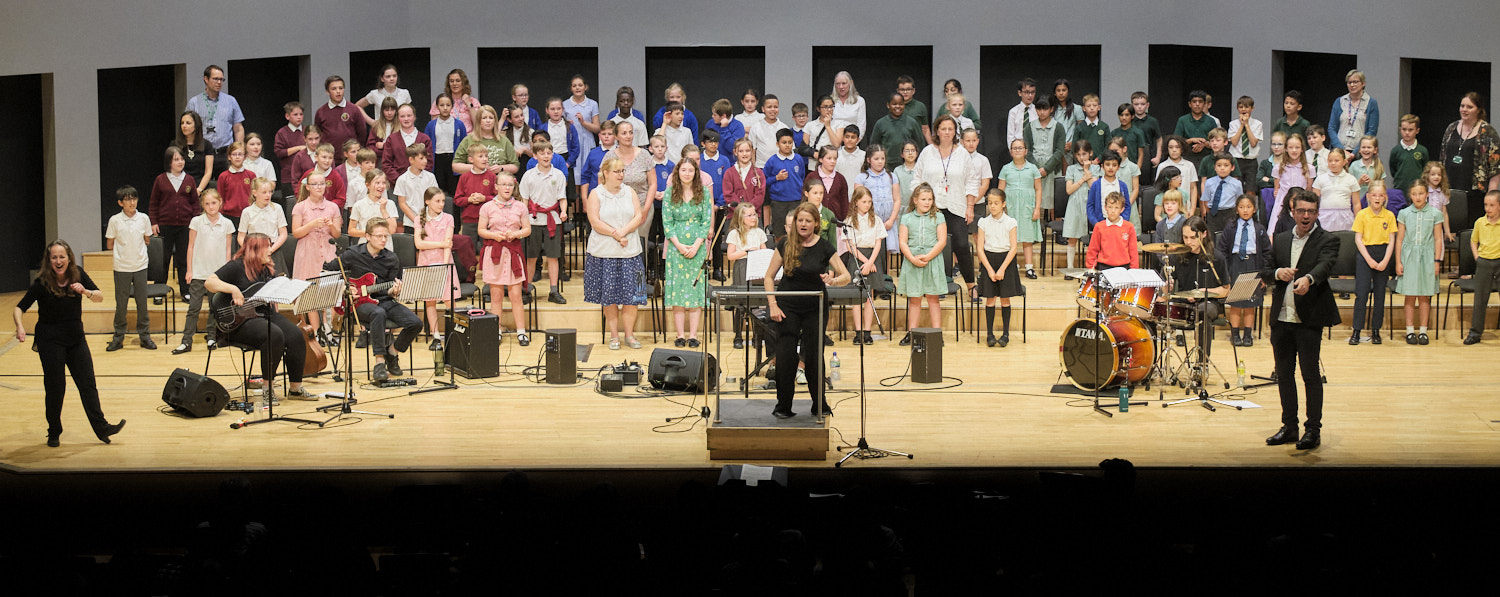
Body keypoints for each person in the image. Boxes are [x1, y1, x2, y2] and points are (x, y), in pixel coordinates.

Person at [13, 240, 127, 447]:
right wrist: (20, 326)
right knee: (56, 387)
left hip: (75, 338)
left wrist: (85, 291)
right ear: (49, 261)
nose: (58, 261)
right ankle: (54, 431)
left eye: (62, 257)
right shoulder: (42, 282)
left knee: (88, 384)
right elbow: (19, 307)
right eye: (54, 257)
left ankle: (101, 428)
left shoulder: (78, 274)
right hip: (50, 340)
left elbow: (99, 297)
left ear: (69, 258)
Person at [1261, 192, 1340, 450]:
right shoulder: (1281, 239)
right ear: (1293, 211)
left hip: (1308, 318)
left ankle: (1313, 430)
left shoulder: (1328, 239)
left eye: (1311, 211)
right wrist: (1276, 273)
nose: (1306, 216)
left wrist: (1309, 279)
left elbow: (1325, 265)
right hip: (1281, 318)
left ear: (1317, 213)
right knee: (1284, 374)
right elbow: (1265, 269)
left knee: (1310, 375)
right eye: (1302, 211)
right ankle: (1290, 427)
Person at [203, 232, 316, 402]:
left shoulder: (267, 268)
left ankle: (295, 388)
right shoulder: (236, 266)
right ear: (255, 250)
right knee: (274, 334)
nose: (271, 250)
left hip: (264, 313)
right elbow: (209, 282)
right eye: (267, 247)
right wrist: (233, 289)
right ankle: (267, 389)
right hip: (240, 321)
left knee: (296, 334)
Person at [764, 203, 852, 419]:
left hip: (815, 307)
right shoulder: (785, 244)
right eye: (800, 220)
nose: (803, 224)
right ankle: (783, 405)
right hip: (787, 307)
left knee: (813, 356)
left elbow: (846, 276)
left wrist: (833, 280)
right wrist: (773, 304)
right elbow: (768, 277)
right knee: (785, 356)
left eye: (807, 221)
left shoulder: (824, 247)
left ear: (815, 224)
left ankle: (819, 404)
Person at [325, 219, 422, 380]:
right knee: (378, 313)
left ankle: (392, 352)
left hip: (384, 299)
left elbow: (391, 287)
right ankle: (379, 362)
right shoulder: (353, 254)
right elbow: (327, 270)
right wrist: (344, 288)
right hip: (359, 303)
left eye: (386, 236)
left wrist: (394, 291)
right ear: (368, 236)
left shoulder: (392, 258)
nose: (383, 240)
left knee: (416, 323)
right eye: (379, 236)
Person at [583, 159, 645, 350]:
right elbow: (594, 220)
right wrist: (616, 234)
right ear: (605, 173)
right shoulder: (596, 193)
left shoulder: (630, 191)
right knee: (608, 297)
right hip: (604, 253)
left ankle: (630, 335)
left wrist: (624, 232)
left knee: (632, 296)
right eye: (616, 171)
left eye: (622, 170)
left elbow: (638, 216)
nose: (620, 175)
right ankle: (614, 335)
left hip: (630, 252)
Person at [912, 114, 979, 291]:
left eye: (951, 129)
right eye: (943, 129)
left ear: (955, 131)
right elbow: (917, 179)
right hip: (930, 208)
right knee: (930, 248)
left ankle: (971, 286)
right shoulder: (928, 152)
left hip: (956, 207)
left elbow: (972, 181)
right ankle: (933, 286)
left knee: (962, 246)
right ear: (937, 131)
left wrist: (970, 206)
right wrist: (919, 203)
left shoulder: (963, 153)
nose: (947, 132)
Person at [174, 189, 235, 354]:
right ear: (202, 205)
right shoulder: (196, 222)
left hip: (217, 275)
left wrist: (227, 273)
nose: (210, 206)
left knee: (214, 308)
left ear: (220, 202)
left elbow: (228, 250)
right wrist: (189, 270)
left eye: (213, 203)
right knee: (194, 307)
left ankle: (211, 336)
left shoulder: (227, 224)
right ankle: (186, 341)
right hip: (199, 273)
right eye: (207, 204)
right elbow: (191, 246)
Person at [662, 157, 714, 347]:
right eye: (683, 170)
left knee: (695, 291)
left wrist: (697, 244)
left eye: (690, 170)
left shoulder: (704, 194)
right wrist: (679, 245)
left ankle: (693, 335)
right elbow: (667, 223)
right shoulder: (669, 193)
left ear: (695, 173)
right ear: (678, 172)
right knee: (677, 290)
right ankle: (680, 335)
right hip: (676, 249)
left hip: (698, 248)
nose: (687, 173)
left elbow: (705, 221)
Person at [290, 171, 342, 335]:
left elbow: (337, 234)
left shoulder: (333, 207)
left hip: (327, 251)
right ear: (308, 187)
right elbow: (296, 232)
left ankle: (327, 329)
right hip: (307, 252)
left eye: (322, 183)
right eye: (315, 184)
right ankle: (315, 330)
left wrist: (331, 225)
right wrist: (312, 224)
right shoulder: (300, 207)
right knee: (309, 293)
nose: (319, 187)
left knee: (328, 291)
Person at [1170, 217, 1230, 356]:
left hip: (1209, 304)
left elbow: (1226, 290)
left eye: (1193, 237)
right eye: (1185, 237)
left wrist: (1204, 292)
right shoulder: (1177, 257)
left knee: (1202, 310)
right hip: (1184, 305)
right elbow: (1167, 288)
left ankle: (1202, 363)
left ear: (1204, 234)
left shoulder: (1217, 258)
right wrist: (1168, 285)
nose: (1188, 242)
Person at [896, 182, 947, 346]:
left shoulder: (939, 217)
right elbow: (902, 242)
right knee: (915, 299)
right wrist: (913, 258)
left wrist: (927, 257)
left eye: (930, 199)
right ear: (915, 200)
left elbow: (942, 241)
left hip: (932, 260)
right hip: (913, 261)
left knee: (933, 298)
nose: (927, 202)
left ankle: (937, 334)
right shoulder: (906, 218)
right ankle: (912, 333)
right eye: (923, 199)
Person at [105, 185, 154, 351]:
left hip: (140, 265)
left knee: (142, 303)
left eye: (134, 198)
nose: (132, 202)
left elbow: (147, 239)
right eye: (127, 200)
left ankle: (145, 336)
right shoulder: (114, 220)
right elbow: (110, 243)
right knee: (121, 304)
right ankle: (118, 337)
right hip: (121, 267)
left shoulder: (144, 218)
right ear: (120, 203)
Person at [1217, 194, 1270, 347]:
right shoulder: (1231, 227)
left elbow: (1267, 252)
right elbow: (1222, 250)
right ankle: (1235, 334)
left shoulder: (1259, 229)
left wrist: (1264, 275)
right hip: (1235, 264)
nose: (1245, 210)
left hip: (1253, 265)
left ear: (1254, 209)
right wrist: (1225, 273)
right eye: (1241, 207)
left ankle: (1248, 334)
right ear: (1236, 209)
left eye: (1248, 207)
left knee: (1249, 303)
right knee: (1236, 302)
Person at [1395, 182, 1444, 344]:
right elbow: (1400, 239)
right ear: (1410, 195)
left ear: (1427, 194)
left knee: (1424, 296)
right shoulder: (1404, 213)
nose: (1418, 197)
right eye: (1414, 194)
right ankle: (1410, 331)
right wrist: (1398, 262)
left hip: (1427, 257)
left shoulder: (1435, 213)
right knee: (1410, 295)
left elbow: (1438, 238)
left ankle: (1423, 330)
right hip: (1409, 257)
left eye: (1421, 193)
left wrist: (1437, 260)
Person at [521, 140, 568, 304]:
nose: (546, 156)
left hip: (553, 220)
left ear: (552, 155)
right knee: (531, 257)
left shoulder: (558, 175)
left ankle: (553, 290)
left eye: (548, 153)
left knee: (553, 257)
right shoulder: (528, 176)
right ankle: (527, 288)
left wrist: (563, 211)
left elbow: (563, 198)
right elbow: (524, 200)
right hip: (533, 221)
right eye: (542, 153)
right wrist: (523, 220)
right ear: (535, 156)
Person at [152, 146, 201, 301]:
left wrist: (196, 222)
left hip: (185, 226)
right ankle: (159, 290)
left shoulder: (189, 180)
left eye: (181, 159)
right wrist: (154, 222)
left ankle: (185, 290)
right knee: (163, 259)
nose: (180, 162)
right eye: (176, 159)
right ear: (169, 162)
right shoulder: (160, 179)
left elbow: (195, 204)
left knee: (183, 259)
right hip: (165, 225)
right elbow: (154, 203)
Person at [1440, 93, 1500, 220]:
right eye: (1462, 106)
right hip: (1449, 190)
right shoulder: (1451, 128)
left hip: (1475, 193)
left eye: (1469, 107)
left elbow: (1495, 168)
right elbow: (1442, 158)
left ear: (1478, 110)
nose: (1464, 110)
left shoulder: (1488, 132)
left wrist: (1490, 197)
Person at [414, 187, 458, 347]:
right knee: (430, 301)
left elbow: (449, 244)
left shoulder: (448, 218)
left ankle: (454, 332)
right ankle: (436, 336)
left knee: (449, 300)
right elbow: (419, 244)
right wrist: (440, 244)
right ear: (427, 201)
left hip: (444, 262)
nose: (441, 204)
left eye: (442, 201)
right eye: (437, 201)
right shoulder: (419, 219)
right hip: (426, 263)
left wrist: (445, 264)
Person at [976, 189, 1021, 347]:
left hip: (1006, 262)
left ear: (1003, 204)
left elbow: (1013, 247)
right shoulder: (983, 222)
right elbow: (980, 249)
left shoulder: (1011, 222)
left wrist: (1002, 269)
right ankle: (989, 334)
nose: (992, 206)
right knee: (990, 298)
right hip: (989, 260)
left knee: (1005, 298)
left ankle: (1006, 334)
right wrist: (989, 269)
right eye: (990, 203)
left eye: (996, 203)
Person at [604, 121, 658, 248]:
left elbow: (653, 184)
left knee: (639, 244)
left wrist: (645, 210)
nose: (628, 136)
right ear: (616, 136)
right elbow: (602, 183)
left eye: (630, 132)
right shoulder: (610, 156)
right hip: (617, 209)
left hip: (642, 205)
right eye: (624, 133)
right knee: (620, 243)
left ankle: (640, 268)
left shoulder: (644, 155)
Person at [997, 138, 1043, 279]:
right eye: (1014, 148)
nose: (1017, 150)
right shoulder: (1006, 169)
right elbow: (1000, 190)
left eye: (1020, 148)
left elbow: (1038, 189)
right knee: (1012, 238)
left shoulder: (1033, 168)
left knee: (1027, 238)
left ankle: (1029, 268)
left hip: (1027, 207)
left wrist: (1037, 208)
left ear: (1026, 151)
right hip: (1011, 206)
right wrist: (1001, 210)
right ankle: (1013, 266)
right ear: (1011, 152)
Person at [846, 187, 886, 345]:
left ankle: (868, 332)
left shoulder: (876, 219)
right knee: (857, 298)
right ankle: (858, 332)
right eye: (864, 202)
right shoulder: (849, 221)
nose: (867, 205)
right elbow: (850, 246)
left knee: (869, 297)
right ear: (856, 202)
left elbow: (878, 243)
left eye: (869, 202)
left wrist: (870, 262)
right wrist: (864, 262)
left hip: (872, 258)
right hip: (856, 258)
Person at [724, 202, 767, 349]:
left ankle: (757, 336)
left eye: (754, 214)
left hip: (756, 266)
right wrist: (747, 251)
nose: (753, 217)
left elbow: (765, 251)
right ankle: (738, 336)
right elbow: (730, 255)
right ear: (741, 217)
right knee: (741, 302)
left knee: (755, 301)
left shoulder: (760, 233)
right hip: (742, 266)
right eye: (749, 215)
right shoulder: (734, 233)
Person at [185, 65, 244, 161]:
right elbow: (187, 129)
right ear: (206, 79)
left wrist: (240, 150)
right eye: (215, 79)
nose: (219, 82)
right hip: (202, 153)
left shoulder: (231, 101)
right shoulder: (194, 102)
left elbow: (238, 128)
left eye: (221, 79)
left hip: (225, 153)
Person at [1465, 191, 1500, 344]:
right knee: (1480, 300)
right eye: (1486, 205)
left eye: (1492, 205)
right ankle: (1475, 333)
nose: (1488, 208)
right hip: (1484, 263)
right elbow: (1474, 241)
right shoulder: (1480, 222)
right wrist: (1477, 257)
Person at [854, 144, 901, 259]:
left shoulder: (892, 177)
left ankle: (886, 276)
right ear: (869, 160)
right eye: (876, 159)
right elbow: (858, 201)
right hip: (870, 221)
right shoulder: (862, 177)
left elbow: (897, 200)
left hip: (888, 222)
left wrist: (891, 220)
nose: (880, 162)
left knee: (887, 252)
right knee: (872, 250)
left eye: (882, 158)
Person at [1024, 97, 1065, 220]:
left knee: (1054, 198)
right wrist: (1037, 168)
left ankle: (1055, 228)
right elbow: (1027, 150)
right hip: (1033, 168)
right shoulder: (1029, 127)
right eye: (1039, 108)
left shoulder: (1058, 127)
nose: (1042, 112)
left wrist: (1046, 168)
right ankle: (1037, 226)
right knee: (1034, 198)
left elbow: (1059, 151)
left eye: (1045, 109)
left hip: (1052, 168)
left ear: (1051, 109)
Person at [454, 105, 520, 177]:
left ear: (495, 120)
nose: (488, 121)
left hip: (499, 183)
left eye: (491, 118)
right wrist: (477, 168)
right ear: (479, 120)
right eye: (484, 118)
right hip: (475, 182)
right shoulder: (468, 140)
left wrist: (501, 168)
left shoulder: (504, 140)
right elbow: (456, 166)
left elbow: (515, 166)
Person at [314, 76, 370, 161]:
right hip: (329, 159)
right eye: (334, 89)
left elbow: (362, 132)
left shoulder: (354, 109)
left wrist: (356, 151)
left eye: (341, 88)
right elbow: (317, 134)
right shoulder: (321, 112)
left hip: (351, 159)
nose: (338, 91)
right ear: (327, 92)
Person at [240, 178, 289, 275]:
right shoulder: (247, 212)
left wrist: (271, 250)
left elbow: (283, 233)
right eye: (264, 192)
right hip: (255, 254)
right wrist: (251, 250)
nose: (268, 195)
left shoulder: (277, 208)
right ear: (254, 193)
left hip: (274, 252)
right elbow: (241, 236)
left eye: (270, 192)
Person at [1063, 142, 1100, 268]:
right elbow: (1069, 190)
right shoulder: (1071, 169)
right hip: (1074, 204)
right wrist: (1083, 178)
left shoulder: (1096, 169)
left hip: (1090, 205)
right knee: (1072, 237)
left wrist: (1086, 170)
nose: (1081, 157)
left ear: (1090, 153)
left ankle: (1091, 267)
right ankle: (1070, 267)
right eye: (1078, 154)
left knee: (1091, 238)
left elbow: (1094, 187)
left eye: (1084, 154)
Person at [425, 93, 467, 197]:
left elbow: (464, 144)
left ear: (452, 106)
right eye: (442, 105)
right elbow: (426, 144)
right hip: (438, 160)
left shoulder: (459, 124)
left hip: (453, 160)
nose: (445, 108)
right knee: (438, 191)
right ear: (437, 107)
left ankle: (455, 213)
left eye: (448, 105)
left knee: (455, 191)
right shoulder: (431, 125)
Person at [1329, 70, 1380, 151]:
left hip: (1361, 152)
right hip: (1339, 152)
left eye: (1355, 82)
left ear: (1363, 83)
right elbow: (1331, 128)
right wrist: (1340, 149)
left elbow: (1372, 131)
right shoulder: (1340, 101)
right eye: (1349, 82)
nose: (1352, 85)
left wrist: (1355, 152)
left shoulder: (1371, 103)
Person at [1085, 193, 1138, 271]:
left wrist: (1134, 270)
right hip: (1103, 267)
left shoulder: (1129, 227)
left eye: (1116, 208)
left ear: (1122, 209)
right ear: (1105, 208)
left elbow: (1133, 251)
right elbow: (1092, 250)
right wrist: (1091, 268)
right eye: (1110, 207)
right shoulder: (1099, 227)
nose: (1113, 211)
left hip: (1123, 268)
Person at [1312, 148, 1361, 232]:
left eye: (1337, 160)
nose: (1333, 163)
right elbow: (1314, 201)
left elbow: (1356, 203)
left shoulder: (1351, 179)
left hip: (1345, 217)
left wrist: (1358, 221)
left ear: (1344, 162)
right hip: (1324, 217)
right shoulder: (1321, 179)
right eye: (1330, 161)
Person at [1272, 134, 1312, 233]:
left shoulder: (1309, 168)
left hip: (1301, 203)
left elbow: (1308, 189)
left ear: (1302, 149)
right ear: (1286, 149)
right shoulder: (1278, 168)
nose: (1294, 150)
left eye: (1297, 147)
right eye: (1291, 147)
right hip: (1283, 203)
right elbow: (1276, 189)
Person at [724, 138, 767, 223]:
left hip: (754, 216)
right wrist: (741, 210)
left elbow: (760, 195)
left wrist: (749, 211)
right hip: (734, 216)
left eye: (747, 151)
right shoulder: (729, 173)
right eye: (741, 151)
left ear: (752, 152)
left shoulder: (758, 173)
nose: (744, 154)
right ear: (735, 152)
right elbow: (728, 195)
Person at [1227, 96, 1263, 192]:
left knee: (1251, 189)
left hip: (1251, 161)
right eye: (1241, 107)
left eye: (1246, 107)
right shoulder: (1233, 124)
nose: (1243, 109)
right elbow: (1234, 142)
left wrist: (1246, 125)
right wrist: (1241, 125)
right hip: (1236, 160)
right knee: (1235, 189)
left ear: (1252, 108)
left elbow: (1253, 143)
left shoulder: (1257, 124)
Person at [1202, 153, 1243, 233]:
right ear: (1214, 167)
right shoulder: (1209, 182)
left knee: (1228, 237)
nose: (1222, 168)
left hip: (1229, 214)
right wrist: (1210, 212)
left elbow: (1239, 201)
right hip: (1213, 214)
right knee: (1212, 237)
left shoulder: (1237, 184)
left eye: (1226, 165)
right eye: (1219, 165)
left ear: (1232, 167)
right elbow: (1206, 200)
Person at [175, 110, 214, 195]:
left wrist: (199, 190)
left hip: (201, 188)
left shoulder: (207, 145)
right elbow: (173, 170)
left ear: (196, 125)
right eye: (182, 123)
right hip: (180, 188)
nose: (184, 126)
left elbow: (208, 172)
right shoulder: (175, 145)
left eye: (188, 123)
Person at [807, 145, 851, 221]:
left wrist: (844, 220)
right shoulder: (811, 177)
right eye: (829, 158)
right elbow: (805, 199)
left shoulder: (840, 179)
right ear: (821, 159)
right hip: (814, 220)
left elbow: (844, 203)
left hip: (836, 221)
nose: (833, 161)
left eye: (835, 159)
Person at [748, 94, 789, 168]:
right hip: (761, 167)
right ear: (763, 109)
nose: (773, 109)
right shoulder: (756, 127)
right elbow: (752, 151)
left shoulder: (784, 127)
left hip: (781, 167)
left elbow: (789, 150)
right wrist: (754, 169)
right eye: (769, 107)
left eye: (775, 107)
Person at [274, 102, 308, 190]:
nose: (299, 117)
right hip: (288, 176)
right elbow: (279, 152)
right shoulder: (282, 132)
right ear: (287, 116)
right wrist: (298, 148)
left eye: (301, 114)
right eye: (295, 114)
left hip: (306, 175)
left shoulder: (307, 131)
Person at [1175, 90, 1215, 164]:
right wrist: (1191, 140)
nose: (1197, 104)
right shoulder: (1182, 120)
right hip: (1186, 158)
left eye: (1200, 102)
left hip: (1207, 159)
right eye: (1194, 102)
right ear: (1189, 104)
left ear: (1204, 104)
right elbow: (1176, 142)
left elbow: (1217, 142)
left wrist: (1204, 143)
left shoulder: (1211, 121)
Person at [830, 71, 866, 143]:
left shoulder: (859, 101)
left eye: (844, 83)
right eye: (838, 84)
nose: (841, 87)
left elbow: (861, 124)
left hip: (852, 141)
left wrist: (854, 142)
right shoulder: (829, 101)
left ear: (851, 83)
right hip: (833, 141)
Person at [895, 76, 931, 145]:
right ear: (898, 91)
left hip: (917, 145)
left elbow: (925, 129)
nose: (905, 92)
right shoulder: (895, 107)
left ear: (913, 91)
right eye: (902, 90)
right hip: (899, 145)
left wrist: (932, 148)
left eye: (908, 89)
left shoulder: (920, 106)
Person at [1073, 94, 1109, 164]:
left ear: (1099, 107)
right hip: (1082, 164)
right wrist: (1082, 160)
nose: (1092, 108)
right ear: (1083, 108)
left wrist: (1098, 160)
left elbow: (1108, 146)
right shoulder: (1079, 127)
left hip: (1100, 164)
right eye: (1088, 106)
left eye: (1094, 105)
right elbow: (1074, 148)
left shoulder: (1104, 127)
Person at [1006, 78, 1037, 145]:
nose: (1030, 95)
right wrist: (1012, 150)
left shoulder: (1037, 111)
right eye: (1026, 92)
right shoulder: (1013, 112)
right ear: (1020, 93)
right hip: (1018, 148)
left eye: (1032, 92)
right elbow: (1010, 135)